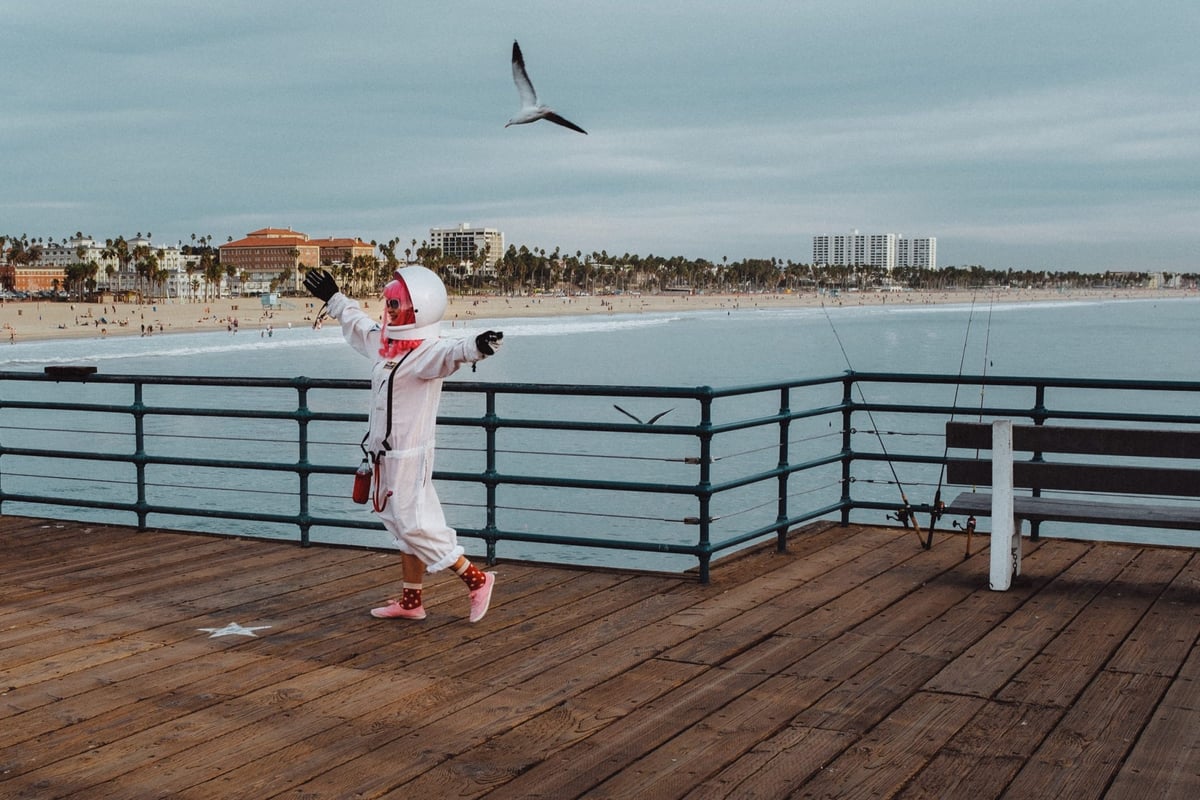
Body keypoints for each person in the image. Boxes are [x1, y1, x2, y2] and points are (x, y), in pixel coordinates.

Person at [304, 266, 504, 623]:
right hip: (383, 454)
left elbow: (451, 353)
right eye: (389, 302)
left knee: (413, 524)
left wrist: (477, 346)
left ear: (418, 308)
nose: (390, 309)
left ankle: (476, 579)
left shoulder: (425, 353)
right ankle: (412, 602)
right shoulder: (388, 348)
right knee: (399, 522)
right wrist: (334, 298)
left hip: (410, 455)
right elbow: (359, 326)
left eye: (396, 302)